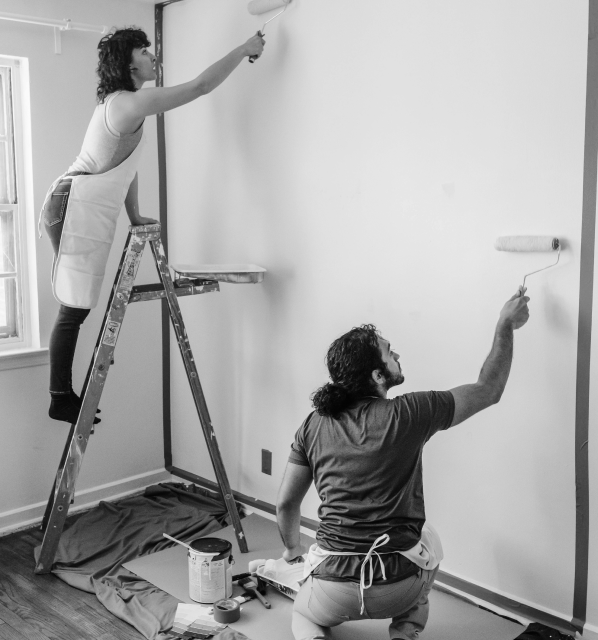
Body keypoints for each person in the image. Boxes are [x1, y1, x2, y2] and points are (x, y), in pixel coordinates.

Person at [276, 287, 530, 640]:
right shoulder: (410, 413)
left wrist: (292, 551)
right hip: (399, 587)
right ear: (378, 376)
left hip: (334, 590)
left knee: (302, 617)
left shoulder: (314, 423)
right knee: (430, 542)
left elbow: (286, 503)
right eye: (388, 351)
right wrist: (505, 324)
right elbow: (489, 389)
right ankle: (405, 631)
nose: (396, 354)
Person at [41, 27, 265, 425]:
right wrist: (244, 48)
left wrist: (135, 214)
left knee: (77, 306)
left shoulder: (127, 106)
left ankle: (62, 395)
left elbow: (125, 165)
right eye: (145, 51)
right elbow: (200, 86)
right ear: (130, 64)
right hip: (72, 204)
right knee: (73, 308)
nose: (152, 56)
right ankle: (60, 397)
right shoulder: (126, 103)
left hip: (79, 204)